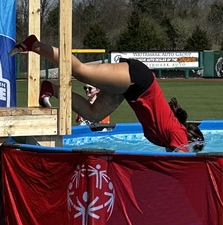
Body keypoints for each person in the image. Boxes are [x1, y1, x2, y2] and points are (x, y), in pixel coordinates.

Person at [11, 35, 204, 152]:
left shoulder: (168, 135)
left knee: (94, 114)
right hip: (138, 80)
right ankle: (34, 44)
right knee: (81, 71)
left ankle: (50, 89)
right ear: (190, 139)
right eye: (193, 148)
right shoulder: (178, 134)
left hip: (131, 90)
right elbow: (183, 166)